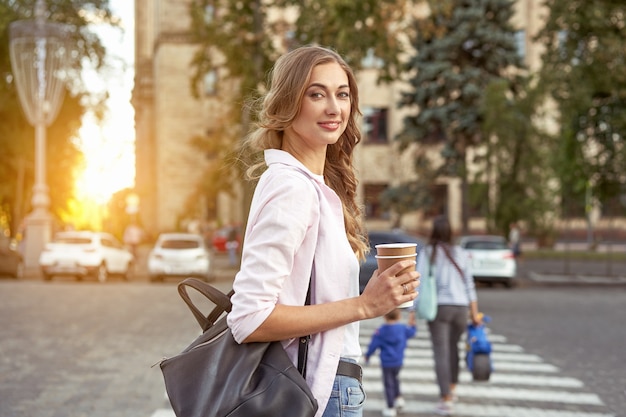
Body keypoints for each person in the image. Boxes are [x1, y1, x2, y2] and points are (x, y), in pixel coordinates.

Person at [226, 45, 420, 417]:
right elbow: (250, 318)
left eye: (342, 94)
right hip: (320, 393)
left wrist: (379, 292)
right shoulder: (291, 187)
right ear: (288, 103)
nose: (335, 108)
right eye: (317, 94)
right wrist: (365, 305)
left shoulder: (312, 186)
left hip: (331, 388)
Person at [416, 215, 482, 416]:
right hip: (461, 308)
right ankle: (452, 388)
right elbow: (469, 284)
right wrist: (474, 313)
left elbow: (419, 282)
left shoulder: (429, 252)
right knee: (454, 349)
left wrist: (412, 311)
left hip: (439, 309)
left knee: (441, 352)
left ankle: (445, 399)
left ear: (434, 231)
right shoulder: (461, 253)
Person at [364, 309, 417, 417]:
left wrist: (368, 355)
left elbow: (374, 345)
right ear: (399, 316)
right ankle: (398, 398)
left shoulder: (381, 331)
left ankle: (390, 407)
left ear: (384, 316)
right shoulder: (402, 329)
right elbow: (412, 332)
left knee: (388, 383)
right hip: (398, 361)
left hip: (386, 362)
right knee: (396, 378)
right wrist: (412, 322)